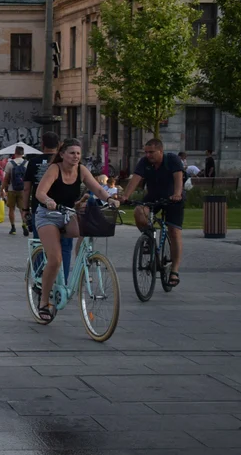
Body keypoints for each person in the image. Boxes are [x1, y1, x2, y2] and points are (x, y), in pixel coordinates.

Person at [33, 139, 118, 322]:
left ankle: (84, 259)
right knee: (55, 259)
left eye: (78, 153)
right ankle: (44, 301)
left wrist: (110, 199)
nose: (76, 157)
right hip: (48, 215)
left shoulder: (81, 170)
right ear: (62, 154)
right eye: (72, 153)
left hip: (68, 213)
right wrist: (48, 201)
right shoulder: (55, 169)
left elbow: (97, 188)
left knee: (86, 230)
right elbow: (40, 192)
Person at [118, 138, 186, 287]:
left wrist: (177, 194)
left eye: (151, 152)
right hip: (153, 198)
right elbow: (135, 179)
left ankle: (174, 270)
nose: (148, 155)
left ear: (160, 151)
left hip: (173, 198)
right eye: (146, 152)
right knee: (139, 211)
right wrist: (125, 196)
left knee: (174, 232)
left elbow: (178, 178)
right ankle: (149, 236)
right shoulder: (144, 162)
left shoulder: (172, 160)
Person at [21, 132, 75, 280]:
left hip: (40, 209)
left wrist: (24, 209)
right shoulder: (62, 163)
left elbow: (26, 188)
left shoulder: (33, 162)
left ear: (42, 145)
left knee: (40, 245)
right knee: (65, 246)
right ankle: (62, 278)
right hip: (63, 208)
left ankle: (39, 278)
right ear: (59, 145)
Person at [2, 146, 28, 235]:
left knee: (11, 209)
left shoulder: (10, 163)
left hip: (11, 189)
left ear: (15, 153)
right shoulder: (27, 163)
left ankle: (13, 228)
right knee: (23, 209)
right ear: (23, 153)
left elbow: (6, 179)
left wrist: (2, 189)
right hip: (23, 190)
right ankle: (24, 224)